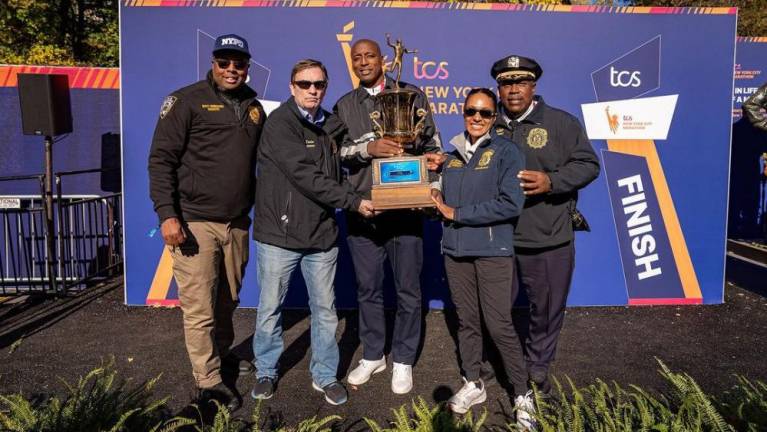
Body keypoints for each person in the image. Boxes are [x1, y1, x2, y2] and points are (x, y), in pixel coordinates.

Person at [148, 34, 264, 410]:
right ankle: (209, 381)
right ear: (213, 62)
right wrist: (168, 215)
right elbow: (161, 160)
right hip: (194, 221)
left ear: (247, 66)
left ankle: (222, 353)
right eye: (224, 62)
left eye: (239, 63)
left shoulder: (253, 106)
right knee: (199, 307)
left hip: (237, 223)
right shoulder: (185, 100)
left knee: (227, 299)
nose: (232, 69)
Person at [250, 59, 375, 406]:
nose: (312, 90)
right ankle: (266, 370)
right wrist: (355, 201)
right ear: (292, 87)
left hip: (321, 236)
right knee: (271, 308)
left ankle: (324, 375)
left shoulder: (331, 126)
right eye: (304, 84)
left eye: (318, 84)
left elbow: (352, 157)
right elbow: (307, 177)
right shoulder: (280, 124)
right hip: (280, 235)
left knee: (325, 311)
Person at [333, 38, 445, 394]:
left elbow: (434, 148)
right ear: (352, 63)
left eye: (369, 56)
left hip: (406, 210)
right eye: (357, 58)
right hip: (364, 209)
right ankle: (372, 354)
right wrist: (369, 148)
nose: (363, 62)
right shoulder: (345, 104)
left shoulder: (411, 95)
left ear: (383, 60)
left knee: (409, 290)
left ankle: (403, 359)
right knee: (367, 288)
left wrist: (434, 182)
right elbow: (336, 152)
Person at [490, 55, 600, 394]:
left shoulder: (561, 123)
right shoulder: (487, 124)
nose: (513, 90)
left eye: (520, 82)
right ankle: (497, 365)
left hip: (548, 236)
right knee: (496, 311)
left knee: (546, 310)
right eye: (507, 83)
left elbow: (588, 165)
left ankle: (537, 368)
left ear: (533, 86)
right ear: (499, 88)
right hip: (500, 238)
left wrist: (551, 181)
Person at [430, 88, 535, 427]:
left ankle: (523, 394)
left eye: (485, 113)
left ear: (494, 117)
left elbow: (510, 204)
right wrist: (432, 190)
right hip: (456, 251)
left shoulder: (507, 152)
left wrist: (456, 213)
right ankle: (474, 382)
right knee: (467, 322)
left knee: (499, 325)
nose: (476, 117)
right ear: (463, 113)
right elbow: (441, 198)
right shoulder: (454, 155)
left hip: (492, 251)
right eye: (471, 111)